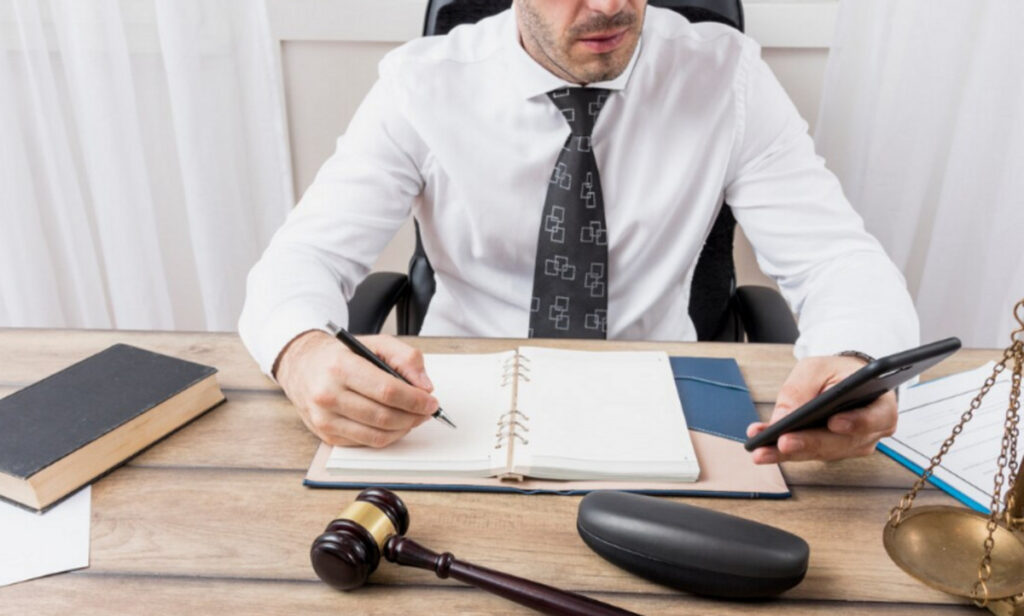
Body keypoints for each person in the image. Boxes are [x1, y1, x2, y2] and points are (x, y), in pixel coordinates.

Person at [239, 0, 919, 466]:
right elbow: (302, 257)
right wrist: (301, 352)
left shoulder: (727, 77)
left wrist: (855, 356)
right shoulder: (421, 84)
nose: (609, 6)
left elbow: (836, 256)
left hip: (672, 404)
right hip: (461, 410)